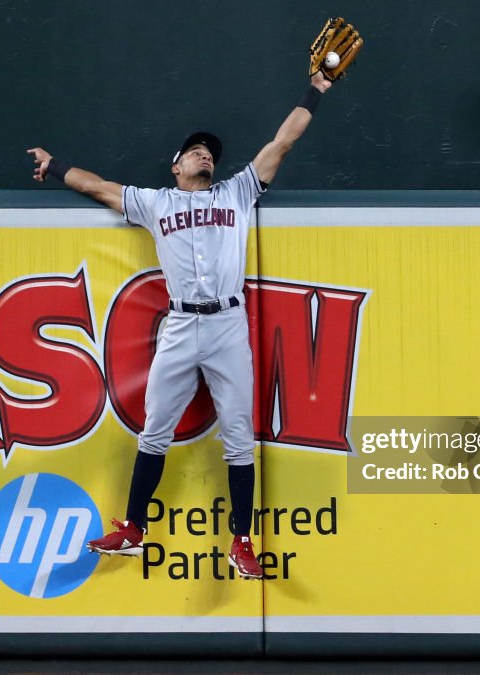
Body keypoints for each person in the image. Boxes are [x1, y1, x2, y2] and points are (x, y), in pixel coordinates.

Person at [26, 71, 334, 580]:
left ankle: (241, 541)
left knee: (239, 437)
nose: (205, 155)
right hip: (180, 324)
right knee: (154, 431)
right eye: (194, 151)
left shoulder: (238, 192)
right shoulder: (156, 202)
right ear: (175, 166)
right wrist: (53, 166)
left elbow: (284, 140)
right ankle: (133, 528)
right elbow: (98, 186)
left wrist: (317, 90)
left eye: (209, 151)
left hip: (227, 325)